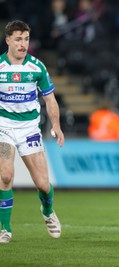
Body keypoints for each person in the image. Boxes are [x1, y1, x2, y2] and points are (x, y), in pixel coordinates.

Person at [0, 20, 64, 243]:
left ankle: (47, 211)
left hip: (29, 130)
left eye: (26, 39)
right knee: (6, 175)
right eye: (18, 39)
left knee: (43, 185)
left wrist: (56, 126)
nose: (22, 44)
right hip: (4, 128)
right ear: (8, 40)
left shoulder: (37, 67)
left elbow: (50, 99)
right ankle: (5, 229)